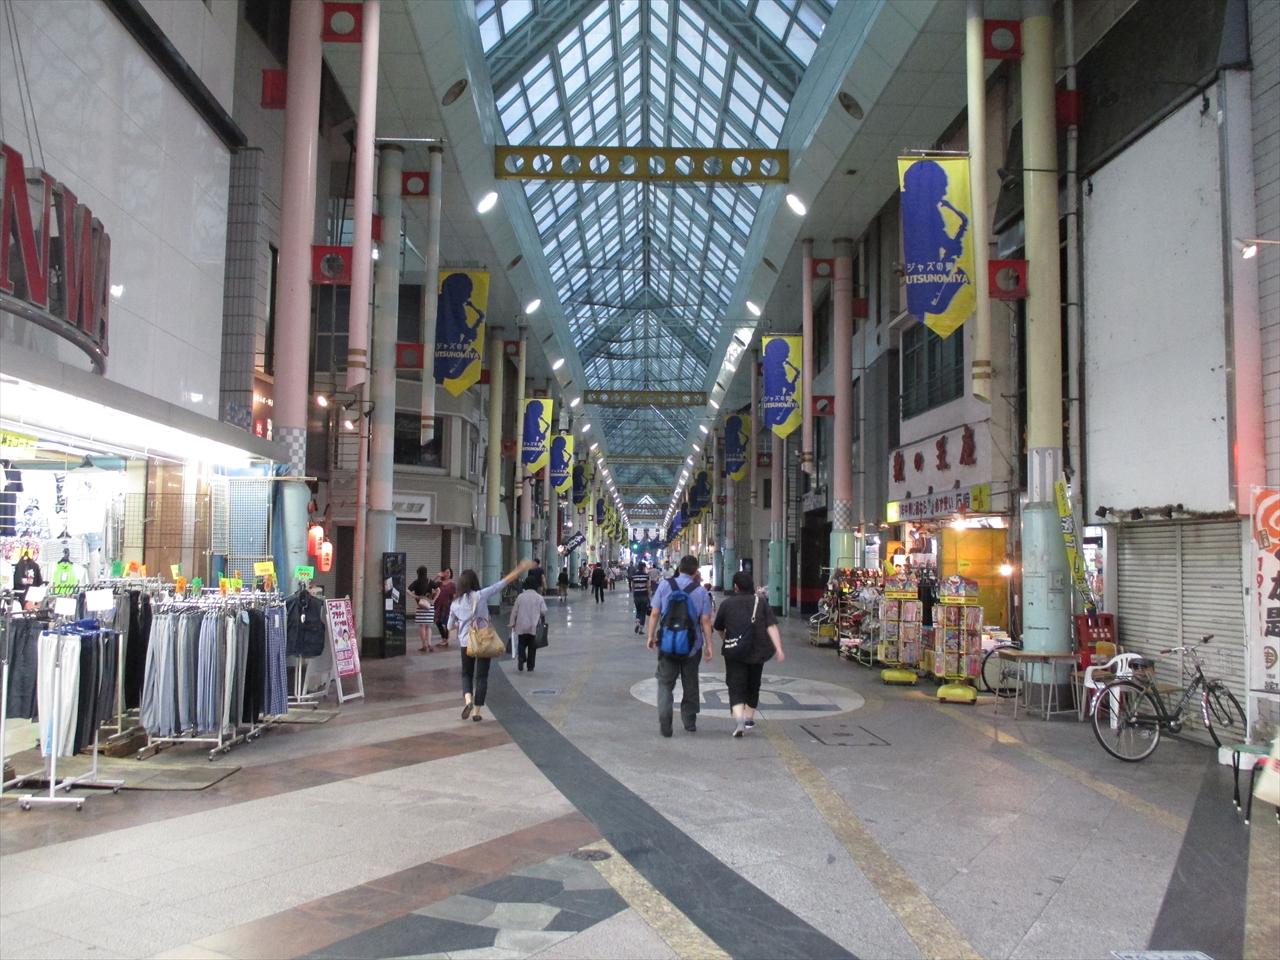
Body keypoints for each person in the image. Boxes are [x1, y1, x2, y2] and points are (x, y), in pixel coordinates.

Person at [449, 559, 535, 722]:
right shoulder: (481, 595)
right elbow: (501, 584)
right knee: (482, 676)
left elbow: (449, 626)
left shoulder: (455, 604)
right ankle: (477, 712)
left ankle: (468, 700)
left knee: (466, 674)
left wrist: (462, 623)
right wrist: (519, 569)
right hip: (484, 640)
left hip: (465, 642)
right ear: (475, 582)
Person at [646, 555, 714, 737]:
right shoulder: (701, 592)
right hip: (692, 646)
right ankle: (689, 721)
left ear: (679, 568)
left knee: (665, 683)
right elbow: (705, 621)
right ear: (695, 571)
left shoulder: (664, 585)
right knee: (690, 682)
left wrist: (651, 636)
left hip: (668, 644)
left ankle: (665, 718)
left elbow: (655, 613)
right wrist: (709, 646)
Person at [713, 572, 785, 737]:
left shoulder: (727, 604)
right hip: (757, 650)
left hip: (734, 652)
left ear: (735, 587)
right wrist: (779, 648)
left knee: (735, 686)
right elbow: (771, 626)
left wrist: (727, 640)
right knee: (753, 684)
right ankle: (749, 718)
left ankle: (739, 721)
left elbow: (718, 627)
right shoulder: (761, 602)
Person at [510, 582, 548, 672]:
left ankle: (521, 657)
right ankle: (530, 667)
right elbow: (544, 611)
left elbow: (514, 611)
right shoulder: (539, 597)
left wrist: (512, 622)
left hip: (521, 625)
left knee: (521, 643)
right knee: (532, 647)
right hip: (533, 626)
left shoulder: (520, 597)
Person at [408, 566, 439, 653]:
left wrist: (415, 596)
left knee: (422, 626)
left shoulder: (416, 582)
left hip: (421, 606)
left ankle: (424, 645)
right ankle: (429, 644)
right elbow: (438, 590)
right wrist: (434, 600)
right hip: (429, 606)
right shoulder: (430, 581)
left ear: (418, 573)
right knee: (428, 626)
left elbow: (407, 590)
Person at [434, 568, 456, 646]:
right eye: (445, 572)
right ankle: (444, 638)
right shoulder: (439, 583)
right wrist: (437, 576)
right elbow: (430, 585)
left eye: (448, 572)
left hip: (448, 606)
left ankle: (445, 640)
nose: (447, 574)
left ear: (450, 573)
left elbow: (455, 596)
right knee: (437, 621)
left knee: (447, 623)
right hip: (439, 605)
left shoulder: (452, 584)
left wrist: (454, 606)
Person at [630, 562, 651, 634]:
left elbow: (633, 586)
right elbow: (648, 586)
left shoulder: (634, 576)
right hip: (644, 595)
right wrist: (649, 595)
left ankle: (637, 622)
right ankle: (641, 629)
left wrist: (634, 595)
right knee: (643, 612)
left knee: (638, 610)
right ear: (643, 567)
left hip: (637, 595)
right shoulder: (646, 576)